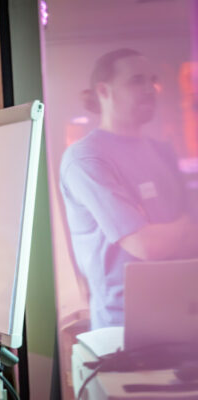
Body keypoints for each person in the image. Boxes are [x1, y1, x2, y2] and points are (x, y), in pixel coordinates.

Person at [60, 49, 198, 330]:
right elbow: (146, 245)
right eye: (136, 80)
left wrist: (172, 232)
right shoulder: (86, 158)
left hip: (184, 316)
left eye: (152, 80)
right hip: (123, 330)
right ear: (103, 91)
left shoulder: (162, 151)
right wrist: (182, 228)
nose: (150, 89)